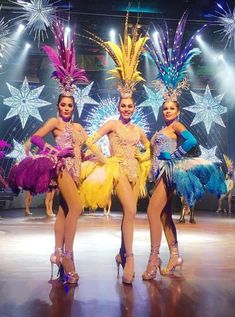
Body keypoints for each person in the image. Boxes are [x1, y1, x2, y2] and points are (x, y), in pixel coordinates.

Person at [8, 20, 93, 284]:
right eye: (63, 104)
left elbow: (81, 150)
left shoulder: (78, 126)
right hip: (62, 170)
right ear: (58, 106)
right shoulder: (55, 123)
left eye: (70, 105)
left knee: (65, 212)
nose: (67, 108)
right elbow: (35, 137)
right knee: (77, 208)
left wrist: (86, 156)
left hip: (78, 172)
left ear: (73, 106)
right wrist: (53, 151)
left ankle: (57, 253)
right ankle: (68, 256)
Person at [142, 12, 226, 280]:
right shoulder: (161, 129)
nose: (167, 111)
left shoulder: (176, 126)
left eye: (171, 108)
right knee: (164, 216)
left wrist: (174, 155)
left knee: (152, 212)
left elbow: (192, 141)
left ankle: (153, 259)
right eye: (165, 108)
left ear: (177, 110)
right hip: (158, 175)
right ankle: (175, 255)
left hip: (170, 173)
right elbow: (152, 151)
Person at [81, 14, 149, 285]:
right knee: (131, 212)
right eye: (123, 106)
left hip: (135, 172)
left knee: (128, 215)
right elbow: (89, 140)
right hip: (117, 169)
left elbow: (148, 148)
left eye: (130, 106)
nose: (126, 109)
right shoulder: (111, 124)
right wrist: (104, 159)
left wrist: (144, 157)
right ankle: (131, 257)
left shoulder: (138, 130)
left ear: (134, 107)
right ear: (118, 106)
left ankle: (121, 253)